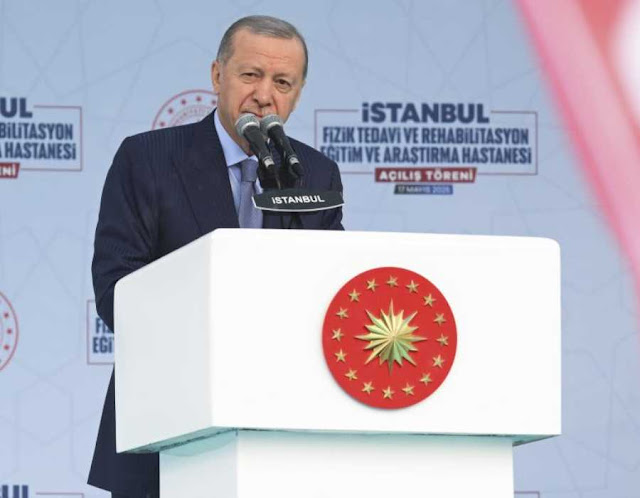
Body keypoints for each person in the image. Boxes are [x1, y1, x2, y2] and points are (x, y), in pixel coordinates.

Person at [87, 15, 343, 498]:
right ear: (217, 75)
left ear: (298, 94)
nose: (264, 95)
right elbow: (116, 291)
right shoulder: (148, 159)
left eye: (282, 82)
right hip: (167, 428)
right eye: (250, 75)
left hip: (284, 434)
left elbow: (331, 289)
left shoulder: (314, 172)